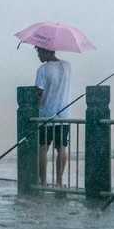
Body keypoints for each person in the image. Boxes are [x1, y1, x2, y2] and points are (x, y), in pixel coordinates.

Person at [34, 46, 71, 187]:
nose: (38, 56)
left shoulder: (43, 69)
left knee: (42, 148)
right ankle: (59, 182)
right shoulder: (67, 66)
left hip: (46, 115)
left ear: (46, 51)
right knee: (62, 147)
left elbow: (39, 93)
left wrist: (36, 103)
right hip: (64, 115)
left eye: (39, 52)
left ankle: (43, 182)